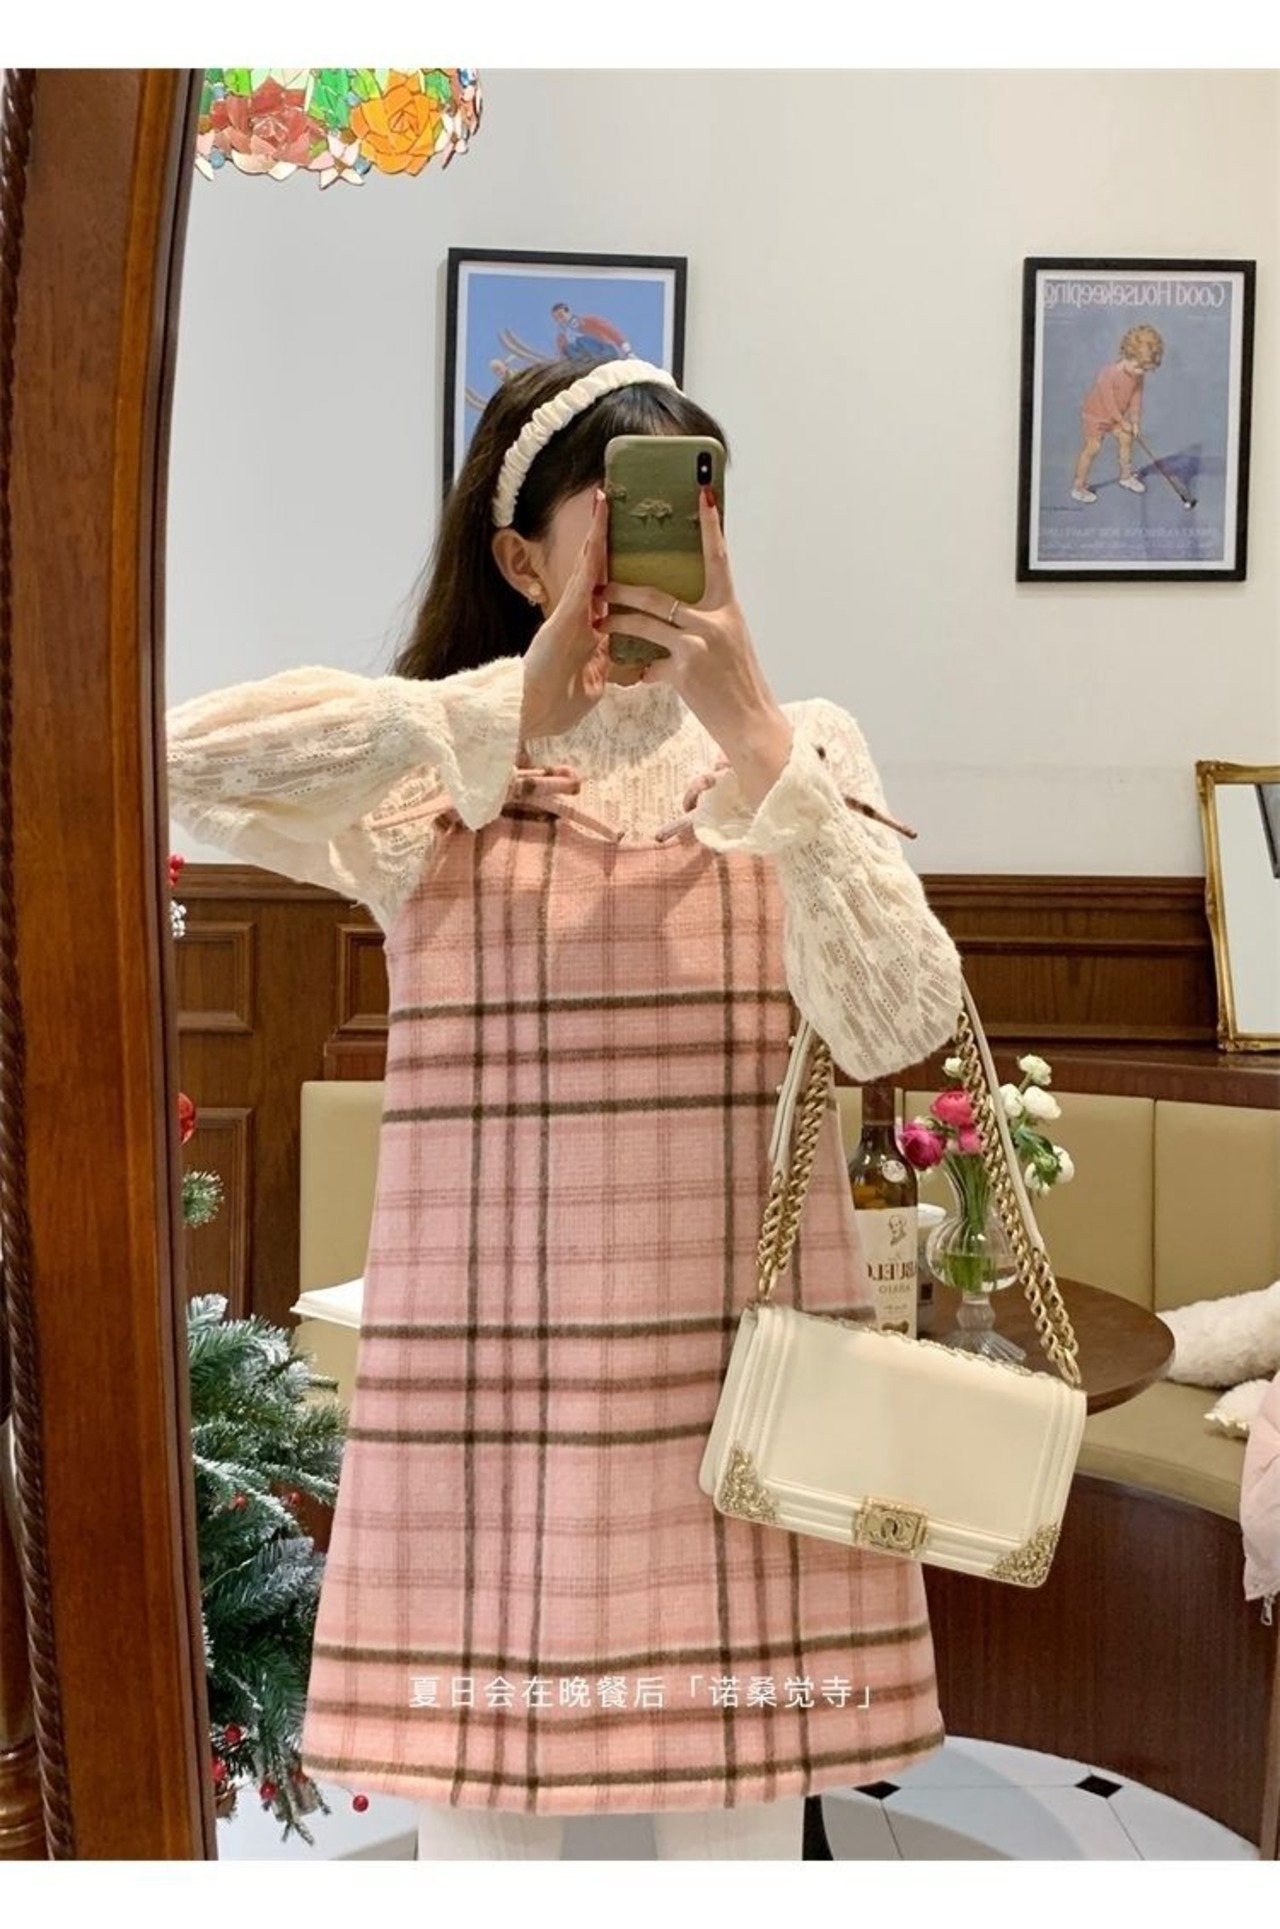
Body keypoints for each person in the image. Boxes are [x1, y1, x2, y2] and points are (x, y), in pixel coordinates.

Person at [165, 356, 964, 1860]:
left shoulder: (802, 748)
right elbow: (173, 764)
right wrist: (500, 708)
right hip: (488, 1405)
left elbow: (895, 1023)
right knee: (487, 1862)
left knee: (737, 1859)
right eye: (622, 510)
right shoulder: (431, 777)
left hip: (745, 1396)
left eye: (695, 506)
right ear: (522, 557)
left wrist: (760, 741)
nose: (666, 544)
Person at [1071, 323, 1165, 504]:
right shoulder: (1107, 374)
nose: (1141, 372)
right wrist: (1122, 421)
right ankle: (1079, 487)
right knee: (1093, 448)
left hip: (1116, 418)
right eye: (1138, 366)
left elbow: (1136, 399)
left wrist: (1135, 422)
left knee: (1126, 438)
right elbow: (1109, 403)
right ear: (1127, 355)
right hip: (1096, 416)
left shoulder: (1138, 376)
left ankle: (1126, 477)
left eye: (1145, 369)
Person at [551, 299, 632, 363]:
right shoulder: (562, 338)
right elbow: (561, 356)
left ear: (568, 312)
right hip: (584, 361)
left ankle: (597, 361)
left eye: (561, 315)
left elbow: (612, 332)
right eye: (556, 319)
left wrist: (628, 351)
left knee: (581, 340)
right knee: (568, 348)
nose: (560, 320)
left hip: (604, 352)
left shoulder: (587, 320)